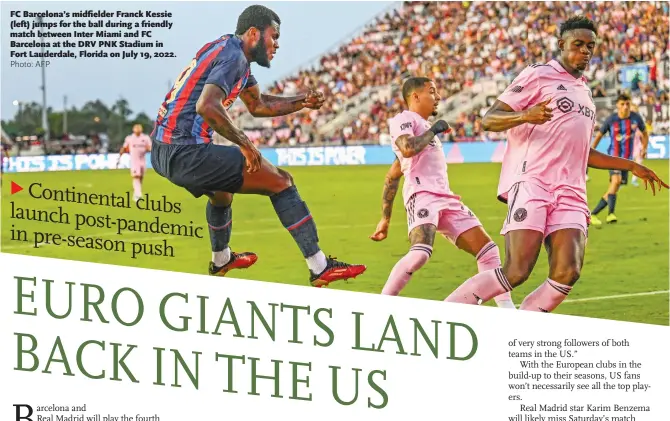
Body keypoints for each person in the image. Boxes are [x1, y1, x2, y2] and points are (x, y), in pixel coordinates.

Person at [445, 16, 667, 313]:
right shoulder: (538, 75)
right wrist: (524, 115)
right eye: (578, 45)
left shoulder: (585, 92)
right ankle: (444, 315)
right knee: (516, 271)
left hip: (571, 190)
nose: (585, 52)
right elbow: (489, 119)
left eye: (590, 46)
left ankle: (520, 331)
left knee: (567, 272)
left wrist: (631, 165)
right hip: (533, 183)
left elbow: (582, 152)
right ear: (561, 45)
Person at [149, 5, 366, 286]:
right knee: (281, 182)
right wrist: (246, 144)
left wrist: (302, 101)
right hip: (185, 150)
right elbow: (207, 106)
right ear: (254, 33)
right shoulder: (235, 58)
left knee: (221, 194)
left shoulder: (227, 49)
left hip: (162, 149)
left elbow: (257, 104)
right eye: (273, 36)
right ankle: (320, 267)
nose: (277, 44)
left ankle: (221, 260)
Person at [369, 77, 515, 309]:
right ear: (415, 96)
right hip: (422, 195)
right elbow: (407, 148)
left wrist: (385, 219)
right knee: (420, 254)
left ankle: (508, 312)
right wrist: (435, 129)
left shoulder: (424, 128)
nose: (437, 97)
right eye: (432, 92)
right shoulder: (403, 119)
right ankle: (380, 306)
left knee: (488, 252)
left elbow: (392, 175)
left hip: (446, 198)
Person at [589, 93, 648, 225]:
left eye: (627, 104)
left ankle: (593, 214)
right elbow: (599, 135)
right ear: (617, 105)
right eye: (622, 104)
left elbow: (645, 133)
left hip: (627, 160)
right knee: (616, 181)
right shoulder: (611, 119)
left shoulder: (635, 118)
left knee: (614, 187)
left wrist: (644, 148)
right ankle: (611, 214)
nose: (625, 107)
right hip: (613, 158)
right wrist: (591, 150)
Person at [117, 123, 152, 202]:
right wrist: (120, 156)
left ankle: (136, 192)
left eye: (139, 128)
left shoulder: (145, 138)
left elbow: (149, 147)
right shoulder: (129, 138)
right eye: (136, 128)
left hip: (142, 160)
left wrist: (149, 149)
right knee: (136, 176)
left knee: (141, 177)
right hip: (134, 161)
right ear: (133, 130)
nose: (137, 130)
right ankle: (138, 195)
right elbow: (124, 147)